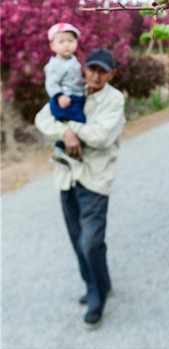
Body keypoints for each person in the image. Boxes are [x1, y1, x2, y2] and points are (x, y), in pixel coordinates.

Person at [34, 49, 125, 329]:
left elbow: (101, 136)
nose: (95, 76)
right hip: (66, 177)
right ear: (84, 69)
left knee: (91, 241)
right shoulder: (71, 89)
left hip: (94, 179)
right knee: (77, 238)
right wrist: (65, 133)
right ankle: (97, 284)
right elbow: (42, 119)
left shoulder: (114, 99)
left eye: (102, 71)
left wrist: (69, 126)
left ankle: (97, 298)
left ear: (111, 74)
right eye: (92, 69)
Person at [44, 23, 85, 163]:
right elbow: (51, 84)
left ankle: (68, 152)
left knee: (78, 123)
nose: (66, 45)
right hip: (65, 100)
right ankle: (61, 151)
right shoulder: (54, 65)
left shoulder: (74, 61)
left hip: (77, 97)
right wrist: (59, 96)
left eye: (70, 41)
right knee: (74, 123)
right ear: (52, 46)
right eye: (61, 42)